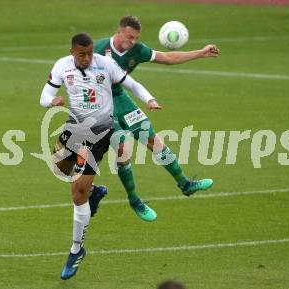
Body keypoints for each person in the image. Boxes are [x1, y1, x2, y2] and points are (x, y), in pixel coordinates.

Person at [39, 32, 161, 280]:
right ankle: (94, 193)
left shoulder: (105, 64)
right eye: (82, 54)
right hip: (74, 127)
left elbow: (131, 84)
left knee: (77, 195)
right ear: (72, 52)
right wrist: (52, 101)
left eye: (90, 53)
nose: (87, 58)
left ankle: (76, 249)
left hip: (99, 134)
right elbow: (43, 96)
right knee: (59, 168)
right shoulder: (62, 65)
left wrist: (149, 99)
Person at [93, 16, 220, 222]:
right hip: (101, 105)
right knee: (123, 151)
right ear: (119, 32)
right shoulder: (98, 48)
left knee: (153, 140)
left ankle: (185, 184)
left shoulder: (138, 50)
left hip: (121, 99)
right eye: (130, 37)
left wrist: (199, 53)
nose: (133, 41)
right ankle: (135, 200)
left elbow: (168, 58)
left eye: (136, 38)